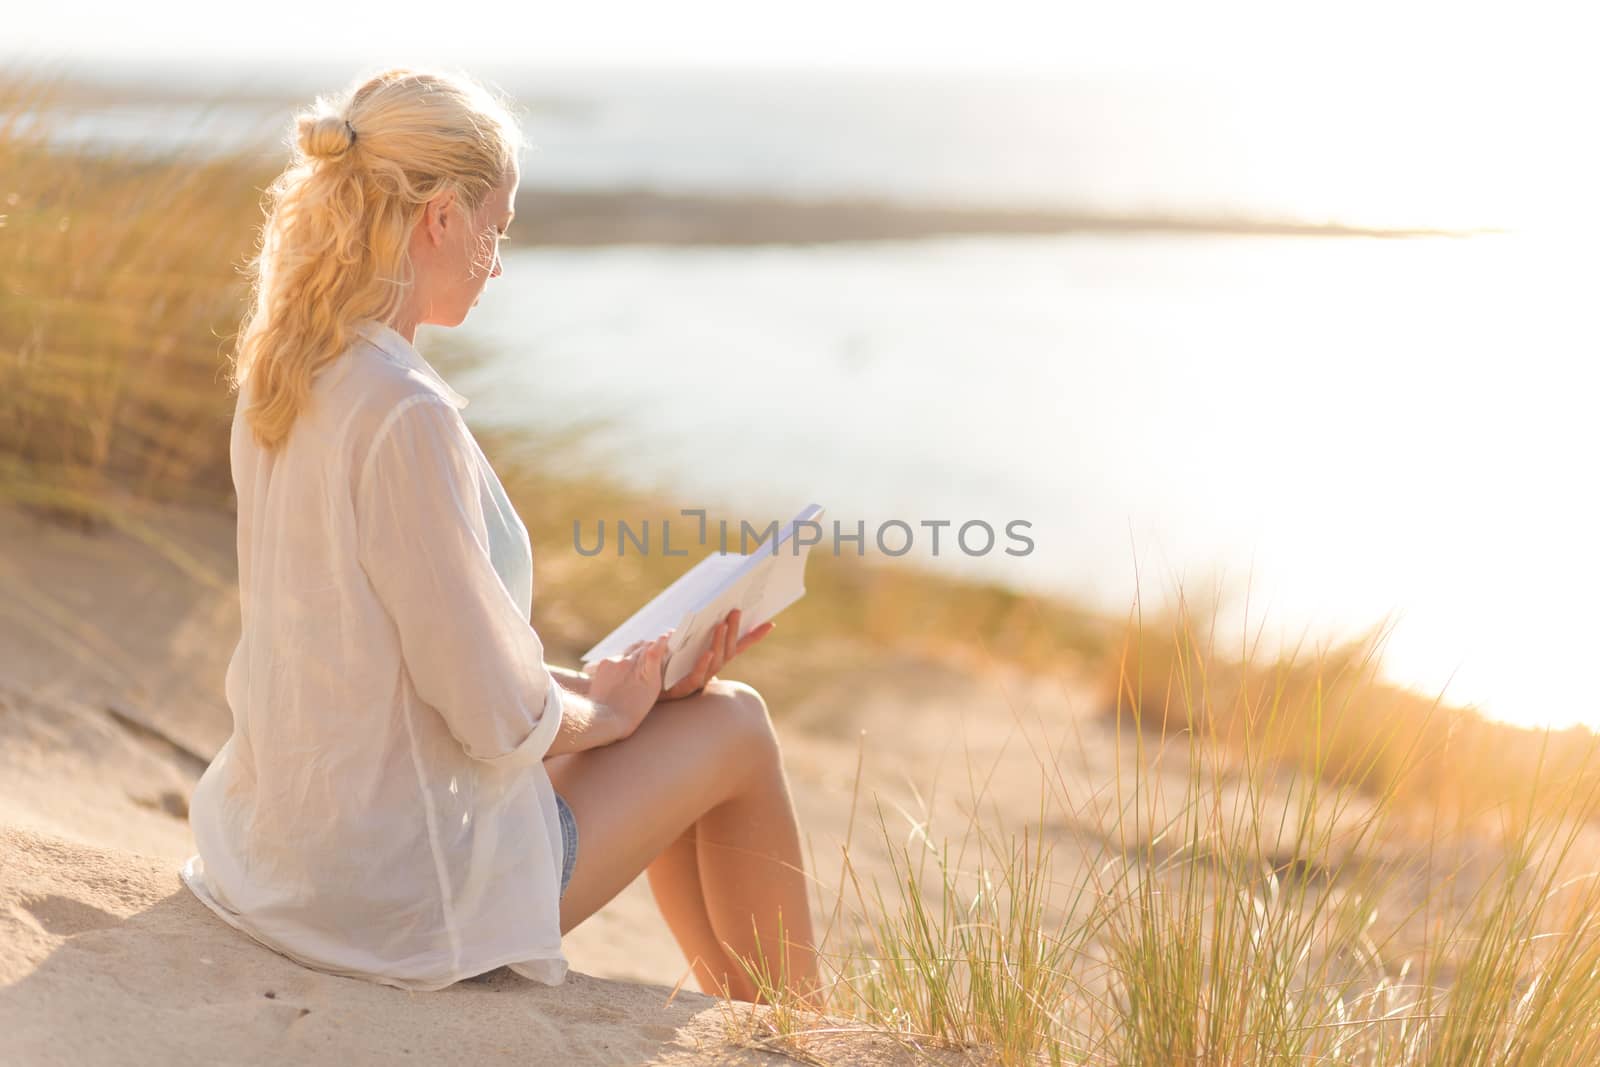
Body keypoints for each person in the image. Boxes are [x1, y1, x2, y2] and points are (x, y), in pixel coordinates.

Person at [178, 68, 819, 1005]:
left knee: (685, 707)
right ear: (439, 218)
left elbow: (406, 659)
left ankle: (755, 1013)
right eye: (496, 228)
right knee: (735, 722)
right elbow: (485, 712)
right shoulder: (403, 414)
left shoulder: (288, 372)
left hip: (288, 853)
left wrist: (614, 693)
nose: (498, 259)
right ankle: (812, 1027)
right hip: (391, 895)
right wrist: (612, 715)